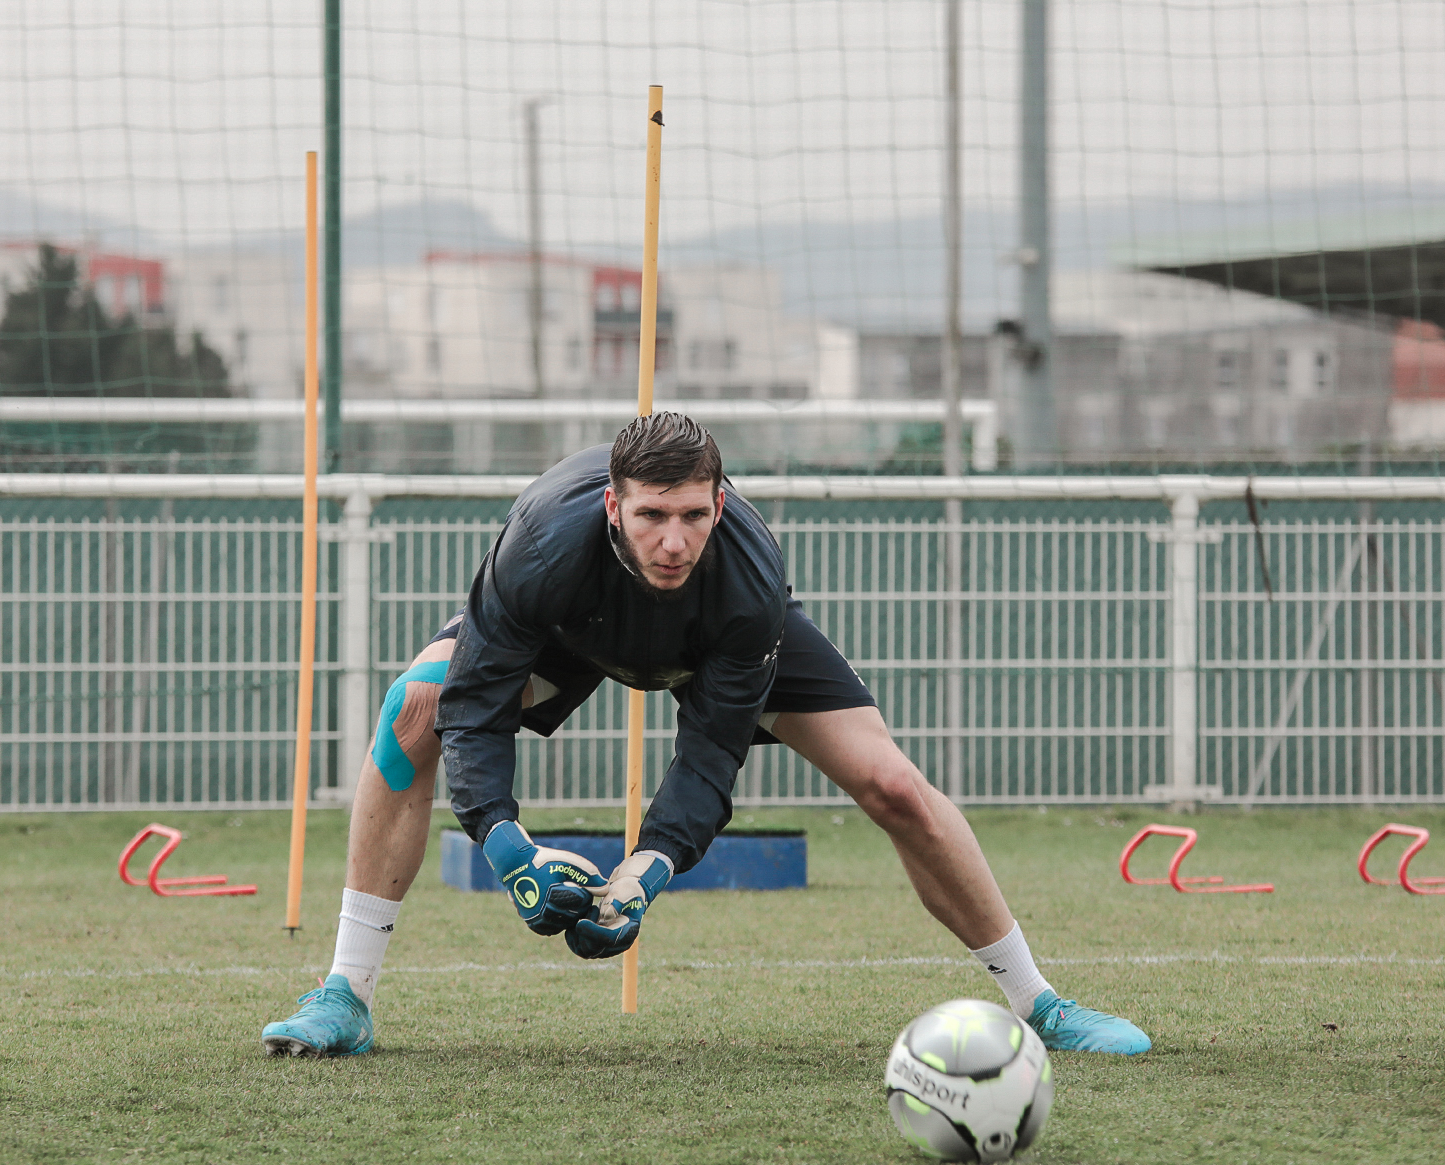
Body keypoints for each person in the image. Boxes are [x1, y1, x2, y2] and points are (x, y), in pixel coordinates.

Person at [262, 413, 1150, 1058]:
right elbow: (476, 708)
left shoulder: (748, 582)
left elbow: (712, 753)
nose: (675, 541)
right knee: (409, 712)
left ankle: (1041, 1006)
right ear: (613, 506)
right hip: (575, 633)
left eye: (693, 515)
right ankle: (346, 995)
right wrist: (505, 845)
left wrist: (646, 872)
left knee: (895, 788)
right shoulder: (537, 549)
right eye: (652, 515)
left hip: (710, 646)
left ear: (719, 504)